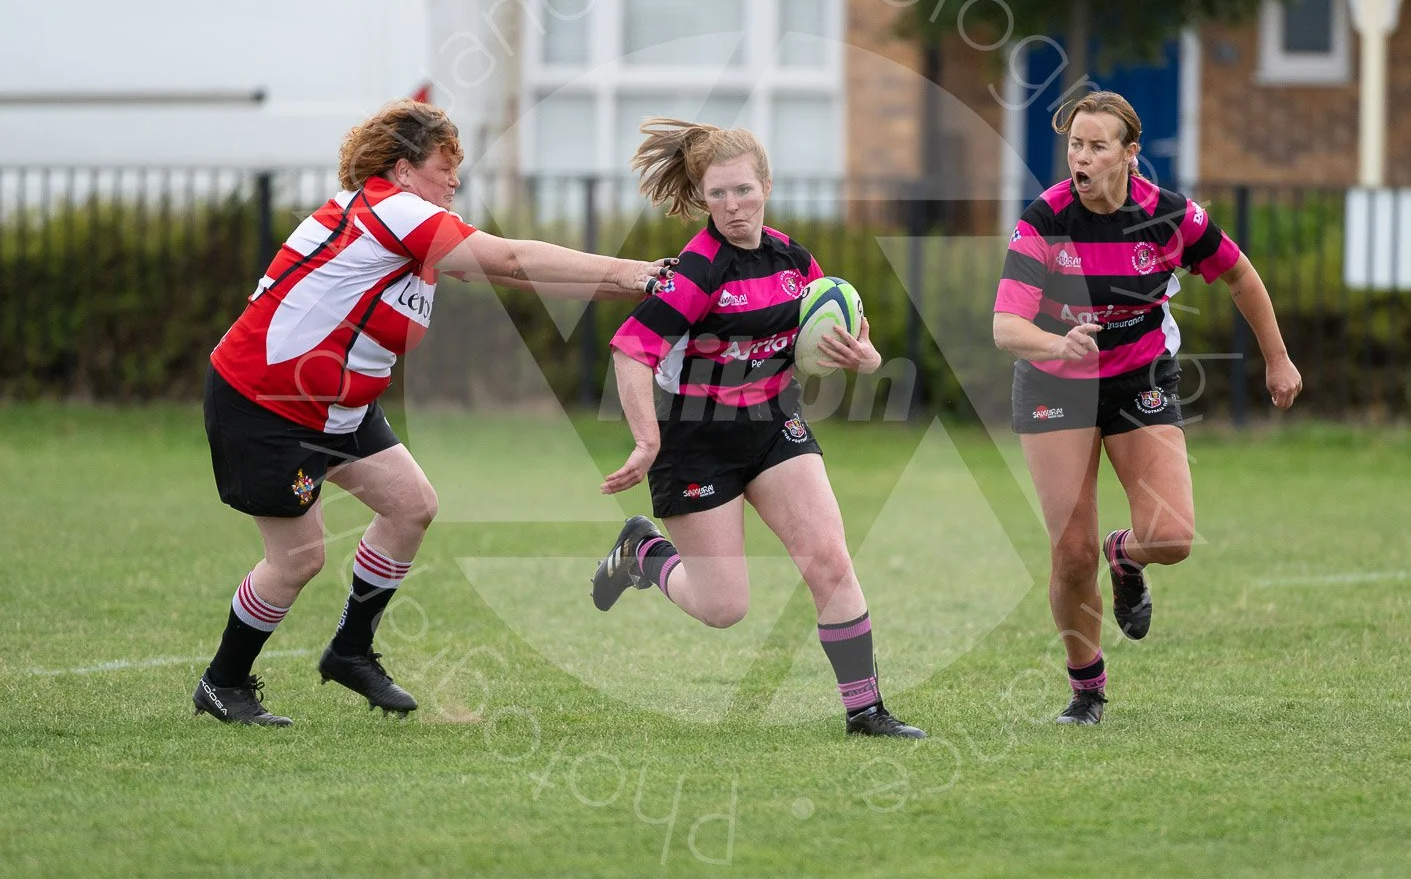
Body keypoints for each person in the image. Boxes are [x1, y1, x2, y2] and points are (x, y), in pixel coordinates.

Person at [195, 99, 675, 727]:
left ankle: (350, 650)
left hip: (338, 406)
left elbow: (507, 276)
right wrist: (636, 272)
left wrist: (639, 282)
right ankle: (223, 682)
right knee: (299, 559)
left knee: (411, 506)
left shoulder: (402, 221)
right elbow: (508, 259)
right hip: (266, 406)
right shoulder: (389, 210)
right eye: (444, 167)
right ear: (400, 170)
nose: (455, 182)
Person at [589, 118, 925, 739]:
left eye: (742, 190)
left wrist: (865, 358)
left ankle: (866, 710)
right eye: (716, 194)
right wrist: (646, 440)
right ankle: (642, 553)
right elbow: (630, 349)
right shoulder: (697, 271)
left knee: (829, 557)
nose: (732, 206)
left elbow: (844, 339)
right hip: (694, 438)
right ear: (701, 198)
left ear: (766, 185)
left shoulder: (794, 260)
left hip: (773, 424)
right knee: (724, 608)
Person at [992, 91, 1302, 725]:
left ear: (1130, 155)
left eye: (1097, 146)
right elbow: (1004, 326)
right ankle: (1087, 692)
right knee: (1069, 553)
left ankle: (1126, 557)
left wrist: (1278, 358)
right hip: (1056, 384)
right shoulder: (1043, 219)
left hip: (1139, 377)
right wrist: (1059, 342)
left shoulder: (1169, 218)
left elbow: (1241, 275)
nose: (1081, 158)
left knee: (1172, 536)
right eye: (1075, 144)